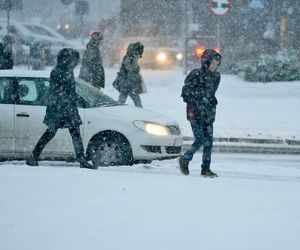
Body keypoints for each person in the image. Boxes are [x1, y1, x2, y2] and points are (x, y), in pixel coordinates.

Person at [26, 48, 97, 169]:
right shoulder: (58, 71)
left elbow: (69, 91)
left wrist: (74, 99)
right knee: (51, 132)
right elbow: (58, 92)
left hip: (67, 108)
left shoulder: (67, 71)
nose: (75, 64)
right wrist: (71, 99)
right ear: (67, 60)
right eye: (73, 61)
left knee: (74, 132)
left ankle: (81, 159)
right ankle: (33, 156)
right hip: (58, 109)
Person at [179, 49, 222, 177]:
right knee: (200, 140)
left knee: (209, 142)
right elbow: (185, 94)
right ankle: (185, 159)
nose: (214, 67)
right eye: (212, 64)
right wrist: (198, 100)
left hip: (208, 113)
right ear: (206, 62)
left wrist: (209, 104)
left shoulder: (217, 76)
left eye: (217, 64)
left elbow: (211, 93)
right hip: (195, 113)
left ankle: (206, 168)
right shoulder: (195, 74)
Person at [114, 42, 145, 108]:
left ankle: (117, 110)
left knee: (123, 100)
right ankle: (141, 113)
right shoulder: (130, 58)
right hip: (128, 83)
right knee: (136, 100)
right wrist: (137, 69)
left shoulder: (130, 57)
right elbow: (131, 69)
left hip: (127, 83)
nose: (139, 56)